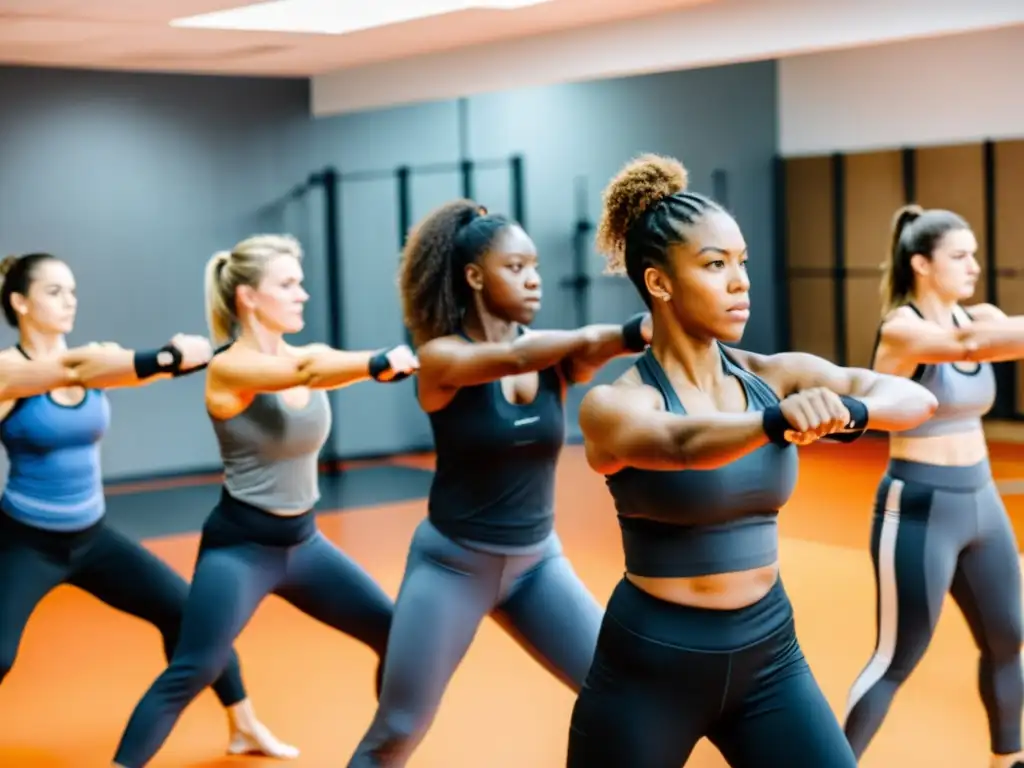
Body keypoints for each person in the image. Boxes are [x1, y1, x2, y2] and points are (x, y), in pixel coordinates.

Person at [564, 154, 940, 768]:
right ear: (659, 283)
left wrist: (846, 410)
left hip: (769, 655)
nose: (740, 282)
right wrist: (775, 421)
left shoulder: (775, 375)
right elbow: (680, 444)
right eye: (715, 266)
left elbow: (915, 398)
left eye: (742, 263)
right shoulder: (615, 404)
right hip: (652, 668)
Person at [347, 199, 654, 767]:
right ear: (474, 277)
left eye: (534, 265)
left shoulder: (556, 357)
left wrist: (644, 332)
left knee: (625, 698)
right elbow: (514, 355)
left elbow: (583, 348)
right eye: (515, 267)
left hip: (538, 567)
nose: (533, 278)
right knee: (397, 729)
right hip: (452, 566)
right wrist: (637, 326)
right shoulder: (441, 358)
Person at [110, 233, 418, 768]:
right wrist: (376, 362)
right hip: (242, 548)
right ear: (248, 297)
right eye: (288, 284)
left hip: (305, 544)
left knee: (394, 635)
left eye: (300, 283)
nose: (302, 294)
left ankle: (380, 757)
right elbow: (304, 374)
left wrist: (392, 364)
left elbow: (317, 366)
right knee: (195, 667)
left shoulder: (311, 355)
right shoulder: (229, 368)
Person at [0, 252, 296, 759]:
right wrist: (162, 357)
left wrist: (182, 360)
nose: (69, 300)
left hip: (91, 537)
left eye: (72, 290)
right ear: (20, 303)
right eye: (54, 291)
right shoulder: (9, 370)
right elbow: (69, 370)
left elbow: (119, 371)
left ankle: (244, 725)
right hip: (25, 540)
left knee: (192, 615)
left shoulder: (100, 358)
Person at [843, 205, 1024, 768]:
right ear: (921, 263)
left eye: (975, 254)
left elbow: (987, 334)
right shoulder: (901, 330)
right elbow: (969, 350)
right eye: (960, 256)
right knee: (897, 658)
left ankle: (1007, 758)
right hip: (920, 505)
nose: (974, 265)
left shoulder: (978, 316)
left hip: (982, 500)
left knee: (1009, 638)